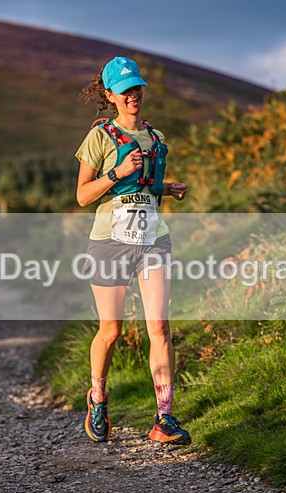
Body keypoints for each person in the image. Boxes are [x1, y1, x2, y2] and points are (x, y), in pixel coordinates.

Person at [75, 56, 191, 445]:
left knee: (158, 326)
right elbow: (82, 196)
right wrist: (117, 173)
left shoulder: (156, 139)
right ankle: (98, 395)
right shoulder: (99, 137)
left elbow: (146, 187)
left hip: (153, 240)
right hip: (109, 241)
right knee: (111, 330)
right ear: (110, 95)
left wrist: (166, 188)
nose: (132, 95)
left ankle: (165, 418)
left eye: (136, 88)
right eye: (124, 90)